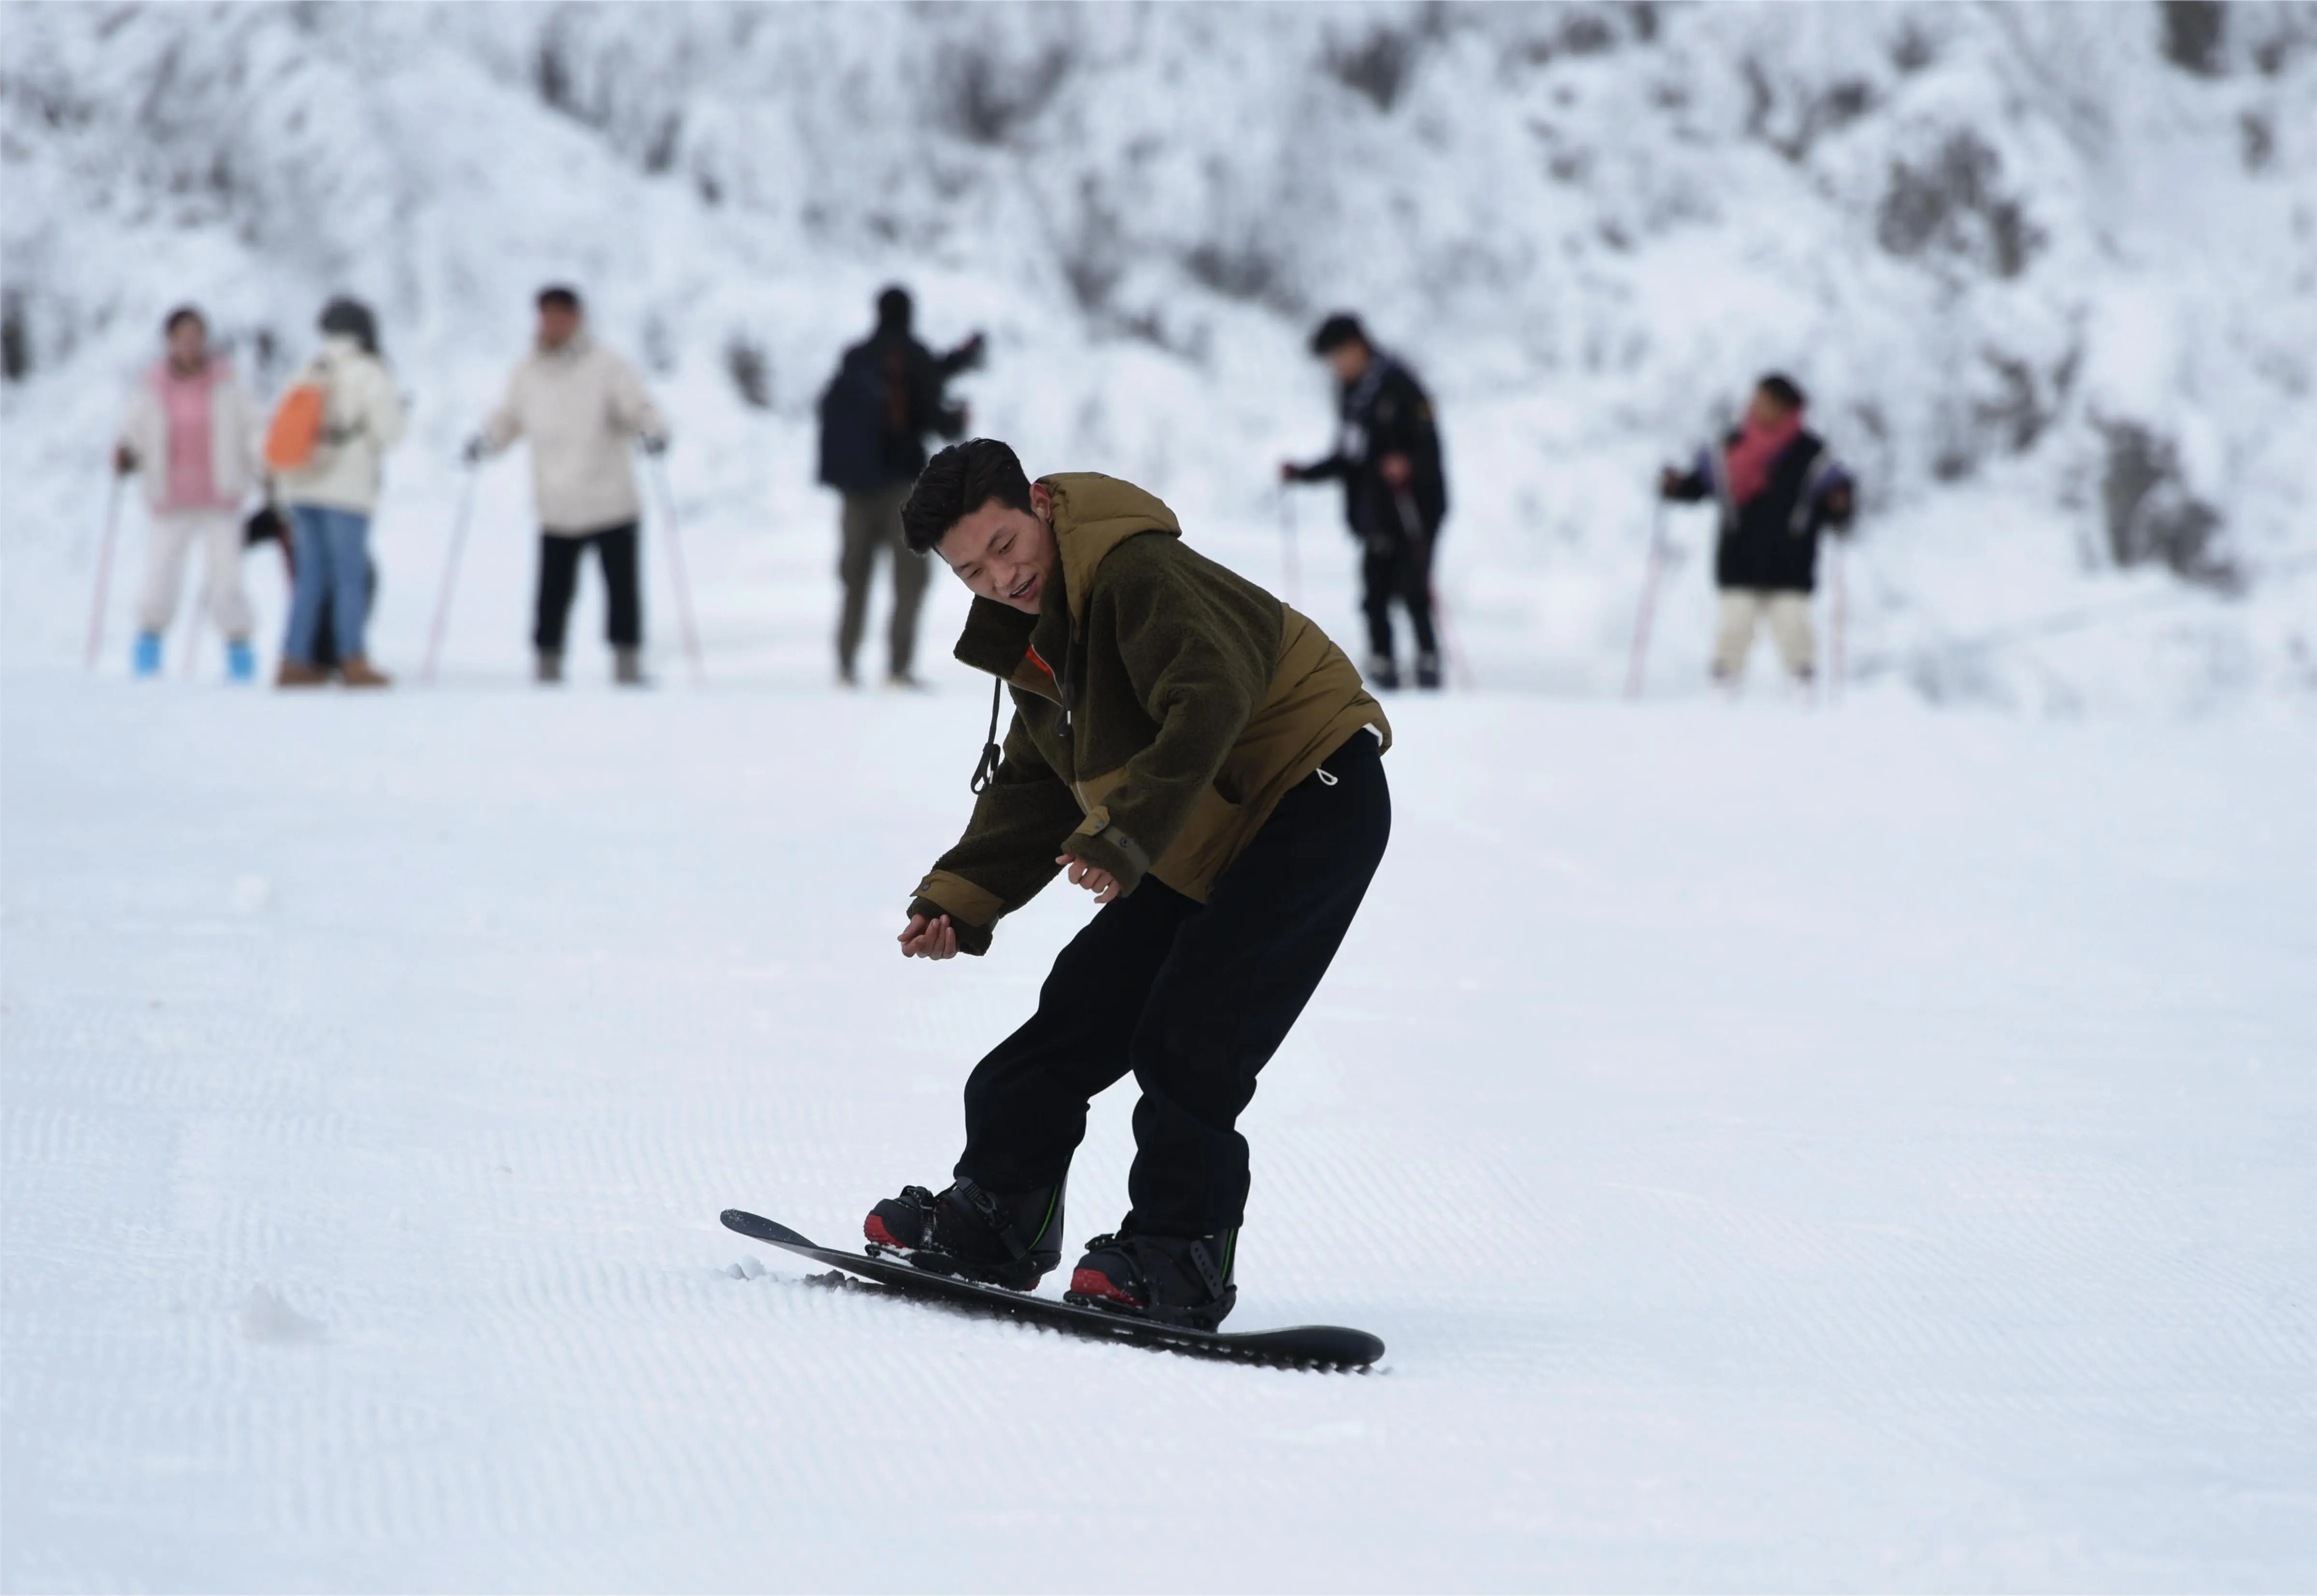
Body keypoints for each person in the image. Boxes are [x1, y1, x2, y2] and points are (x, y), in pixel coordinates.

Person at [864, 438, 1392, 1330]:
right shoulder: (1043, 631)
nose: (998, 577)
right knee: (1073, 1012)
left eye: (1003, 544)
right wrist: (959, 893)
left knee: (1195, 1036)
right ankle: (998, 1213)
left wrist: (1121, 835)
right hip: (1197, 825)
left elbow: (1211, 695)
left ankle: (1178, 1252)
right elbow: (1035, 782)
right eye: (969, 571)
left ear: (1036, 502)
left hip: (1309, 794)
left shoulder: (1136, 571)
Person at [467, 286, 669, 687]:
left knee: (623, 590)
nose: (554, 323)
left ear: (578, 318)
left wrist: (653, 432)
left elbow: (638, 408)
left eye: (562, 315)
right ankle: (548, 665)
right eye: (547, 315)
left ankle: (626, 665)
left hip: (610, 498)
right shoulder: (527, 372)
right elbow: (508, 418)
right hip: (556, 502)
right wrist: (486, 442)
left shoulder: (608, 365)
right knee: (553, 592)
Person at [816, 286, 984, 688]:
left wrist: (956, 360)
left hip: (855, 490)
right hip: (902, 490)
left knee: (855, 577)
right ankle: (898, 667)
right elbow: (930, 409)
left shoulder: (856, 357)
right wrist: (957, 421)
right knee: (909, 580)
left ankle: (845, 664)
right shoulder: (914, 353)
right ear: (910, 314)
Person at [1281, 312, 1448, 691]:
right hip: (1374, 513)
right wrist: (1303, 474)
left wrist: (1407, 464)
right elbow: (1349, 457)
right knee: (1374, 592)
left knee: (1413, 587)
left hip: (1414, 509)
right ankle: (1383, 666)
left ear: (1357, 347)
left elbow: (1431, 448)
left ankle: (1428, 663)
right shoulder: (1351, 395)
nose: (1335, 367)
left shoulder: (1401, 385)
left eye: (1337, 357)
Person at [1659, 373, 1855, 688]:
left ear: (1784, 407)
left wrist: (1841, 504)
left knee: (1794, 630)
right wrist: (1676, 486)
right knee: (1734, 629)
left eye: (1763, 400)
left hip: (1791, 565)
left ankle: (1803, 696)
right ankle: (1722, 694)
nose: (1754, 406)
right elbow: (1698, 486)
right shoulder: (1729, 449)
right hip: (1740, 561)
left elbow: (1838, 500)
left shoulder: (1812, 456)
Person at [113, 306, 265, 682]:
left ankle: (239, 653)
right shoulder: (154, 386)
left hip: (221, 496)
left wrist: (266, 468)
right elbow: (135, 430)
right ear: (171, 341)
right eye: (183, 336)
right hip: (171, 498)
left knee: (227, 579)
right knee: (161, 576)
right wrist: (127, 452)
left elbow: (253, 430)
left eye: (197, 336)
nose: (190, 343)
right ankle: (148, 650)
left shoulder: (227, 382)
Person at [274, 297, 405, 688]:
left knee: (310, 578)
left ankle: (295, 659)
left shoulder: (307, 370)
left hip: (302, 484)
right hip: (347, 489)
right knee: (350, 576)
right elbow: (391, 433)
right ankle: (353, 658)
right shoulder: (370, 372)